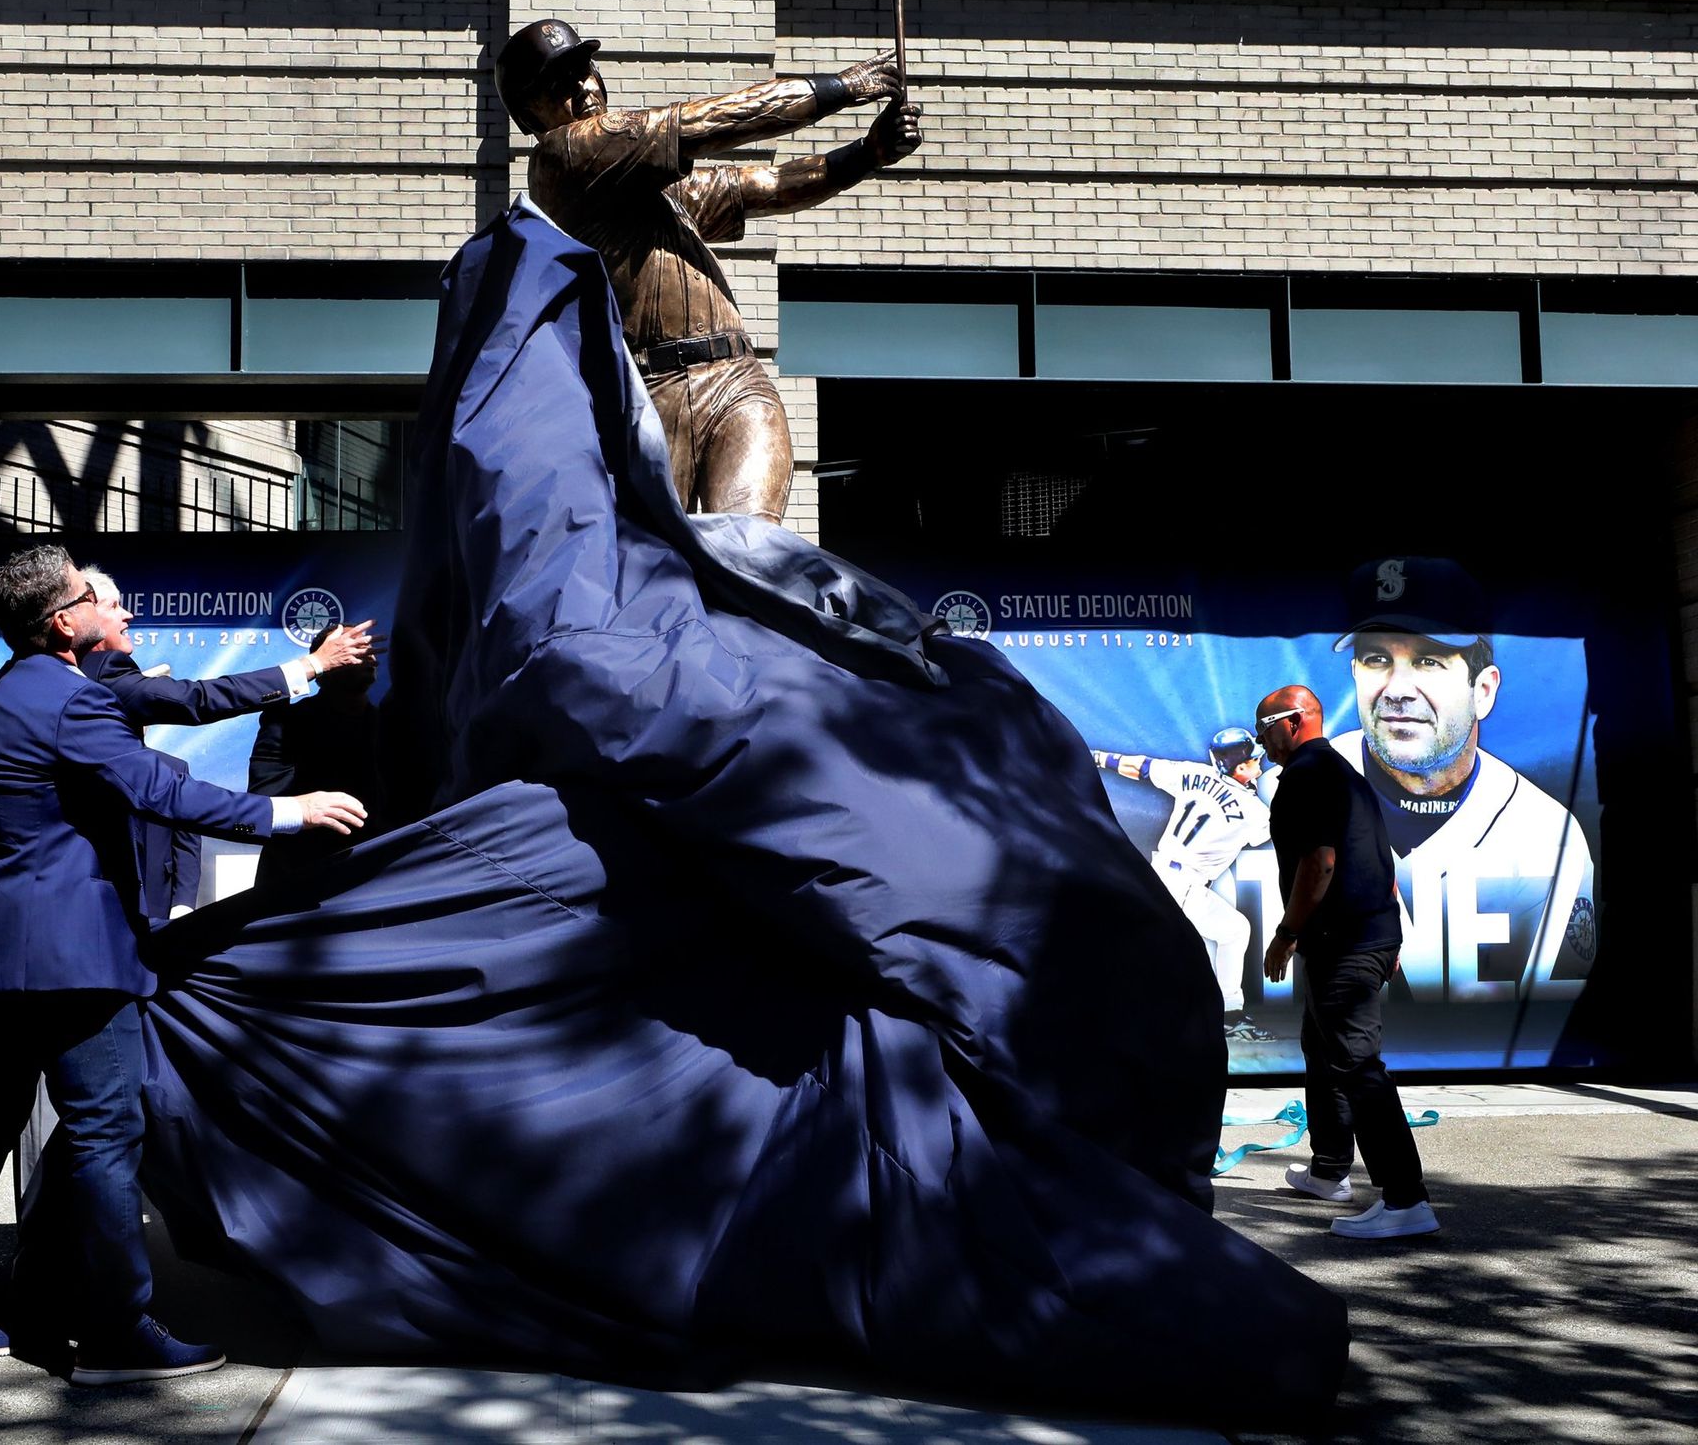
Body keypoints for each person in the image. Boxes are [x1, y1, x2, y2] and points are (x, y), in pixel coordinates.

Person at [129, 202, 1352, 1421]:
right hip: (882, 952)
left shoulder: (650, 600)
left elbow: (618, 661)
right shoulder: (655, 634)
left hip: (870, 940)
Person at [0, 544, 367, 1382]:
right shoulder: (73, 703)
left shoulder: (5, 696)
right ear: (63, 620)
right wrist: (291, 810)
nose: (116, 609)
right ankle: (115, 1336)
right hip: (72, 960)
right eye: (92, 596)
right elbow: (163, 791)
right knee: (108, 1133)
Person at [496, 18, 922, 523]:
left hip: (737, 378)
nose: (581, 87)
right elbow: (710, 123)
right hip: (653, 395)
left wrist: (866, 154)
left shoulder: (647, 186)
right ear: (528, 115)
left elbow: (766, 186)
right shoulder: (563, 156)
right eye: (556, 84)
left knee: (752, 548)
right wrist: (843, 87)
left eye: (583, 70)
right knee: (656, 572)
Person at [1329, 556, 1595, 1001]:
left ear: (1483, 690)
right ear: (1355, 673)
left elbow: (1550, 1020)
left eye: (1429, 661)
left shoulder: (1550, 839)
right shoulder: (1283, 791)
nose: (1397, 689)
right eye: (1376, 658)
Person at [1256, 684, 1439, 1239]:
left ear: (1292, 724)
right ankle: (1330, 1170)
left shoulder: (1308, 776)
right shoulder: (1343, 774)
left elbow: (1322, 861)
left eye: (1264, 725)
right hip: (1363, 936)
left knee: (1358, 1066)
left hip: (1346, 942)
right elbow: (1376, 859)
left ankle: (1406, 1200)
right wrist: (1390, 933)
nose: (1259, 737)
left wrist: (1286, 934)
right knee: (1324, 1048)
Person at [1093, 727, 1275, 1041]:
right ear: (1241, 767)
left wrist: (1097, 758)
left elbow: (1140, 767)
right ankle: (1228, 1014)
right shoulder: (1254, 812)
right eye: (1254, 760)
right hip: (1185, 884)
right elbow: (1270, 831)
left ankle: (1225, 1012)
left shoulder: (1192, 773)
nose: (1260, 762)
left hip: (1157, 873)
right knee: (1202, 941)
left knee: (1222, 933)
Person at [75, 564, 372, 727]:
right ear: (83, 615)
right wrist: (314, 664)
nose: (128, 614)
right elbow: (198, 699)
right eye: (114, 606)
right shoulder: (104, 672)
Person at [248, 624, 383, 890]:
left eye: (367, 650)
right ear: (322, 672)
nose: (366, 656)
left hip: (379, 875)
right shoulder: (287, 722)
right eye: (349, 650)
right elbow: (265, 800)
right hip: (300, 876)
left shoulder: (394, 725)